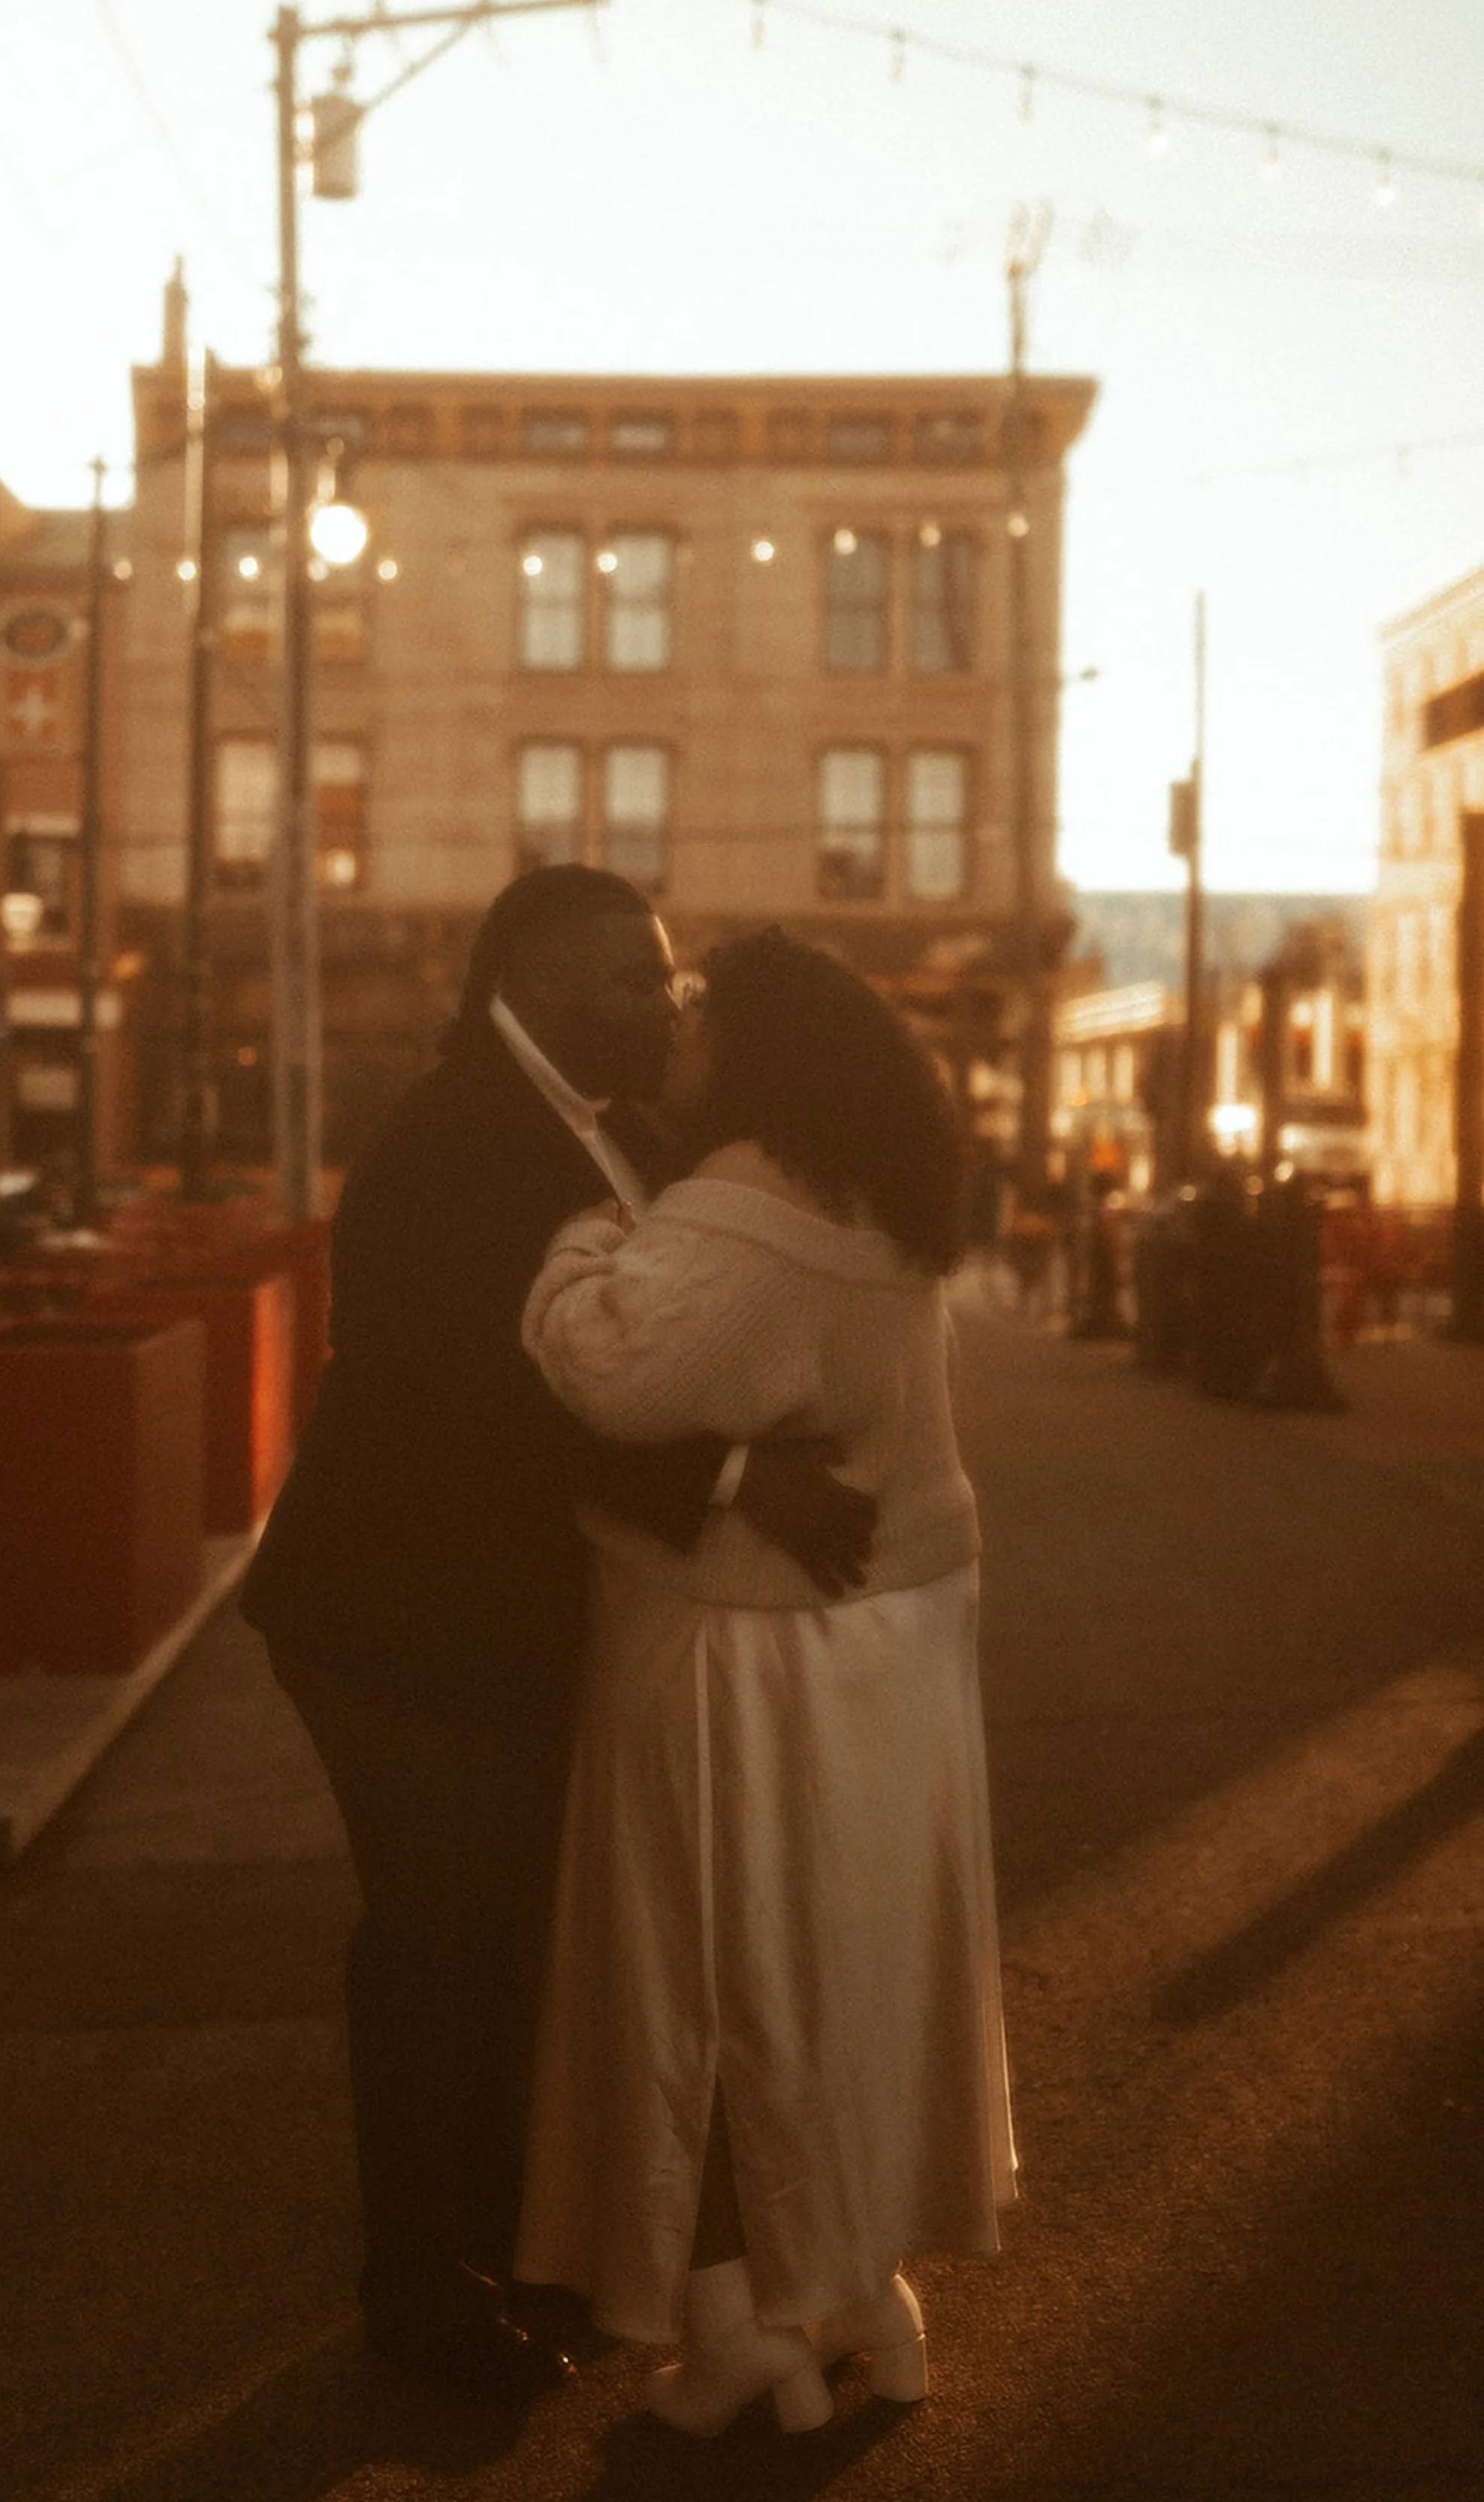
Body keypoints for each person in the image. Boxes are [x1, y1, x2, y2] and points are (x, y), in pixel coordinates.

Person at [238, 870, 876, 2406]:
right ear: (532, 985)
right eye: (634, 979)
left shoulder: (612, 1127)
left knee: (507, 1938)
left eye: (669, 977)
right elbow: (495, 1397)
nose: (667, 1001)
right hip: (397, 1613)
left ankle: (510, 2249)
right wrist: (738, 1477)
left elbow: (662, 1321)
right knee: (436, 1944)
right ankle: (419, 2290)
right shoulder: (459, 1138)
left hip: (503, 1612)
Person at [516, 928, 1015, 2436]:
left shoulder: (746, 1190)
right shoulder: (876, 1185)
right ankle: (864, 2287)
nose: (674, 1027)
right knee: (858, 1968)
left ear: (752, 1045)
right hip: (898, 1626)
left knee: (720, 1980)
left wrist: (580, 1245)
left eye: (695, 1009)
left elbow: (619, 1369)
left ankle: (745, 2326)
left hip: (748, 1636)